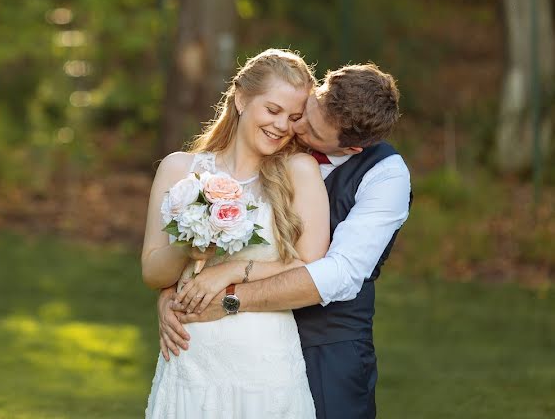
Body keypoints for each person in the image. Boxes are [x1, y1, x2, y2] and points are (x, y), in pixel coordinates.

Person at [158, 63, 412, 419]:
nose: (296, 128)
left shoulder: (386, 175)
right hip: (230, 343)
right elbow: (194, 237)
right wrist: (172, 298)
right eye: (305, 113)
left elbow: (339, 273)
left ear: (352, 148)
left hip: (329, 345)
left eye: (312, 131)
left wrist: (229, 297)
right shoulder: (274, 134)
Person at [142, 49, 329, 418]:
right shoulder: (178, 169)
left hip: (264, 365)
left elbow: (311, 265)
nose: (281, 126)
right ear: (241, 99)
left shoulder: (299, 171)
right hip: (190, 358)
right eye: (272, 110)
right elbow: (152, 273)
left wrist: (230, 270)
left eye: (293, 118)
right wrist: (189, 248)